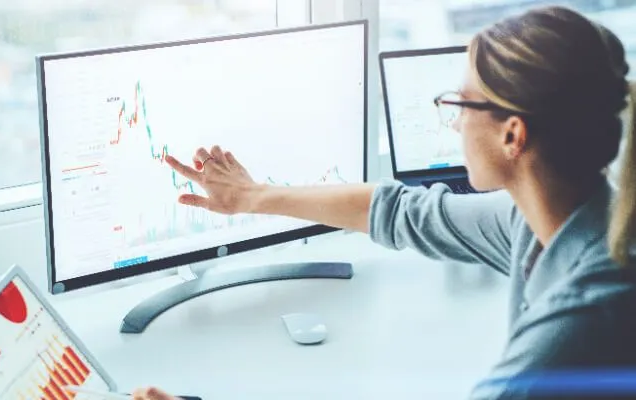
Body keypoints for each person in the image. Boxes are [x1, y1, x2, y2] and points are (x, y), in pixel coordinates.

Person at [133, 5, 636, 399]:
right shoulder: (564, 218)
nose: (455, 121)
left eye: (461, 103)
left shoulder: (578, 324)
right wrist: (252, 196)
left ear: (513, 135)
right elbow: (399, 211)